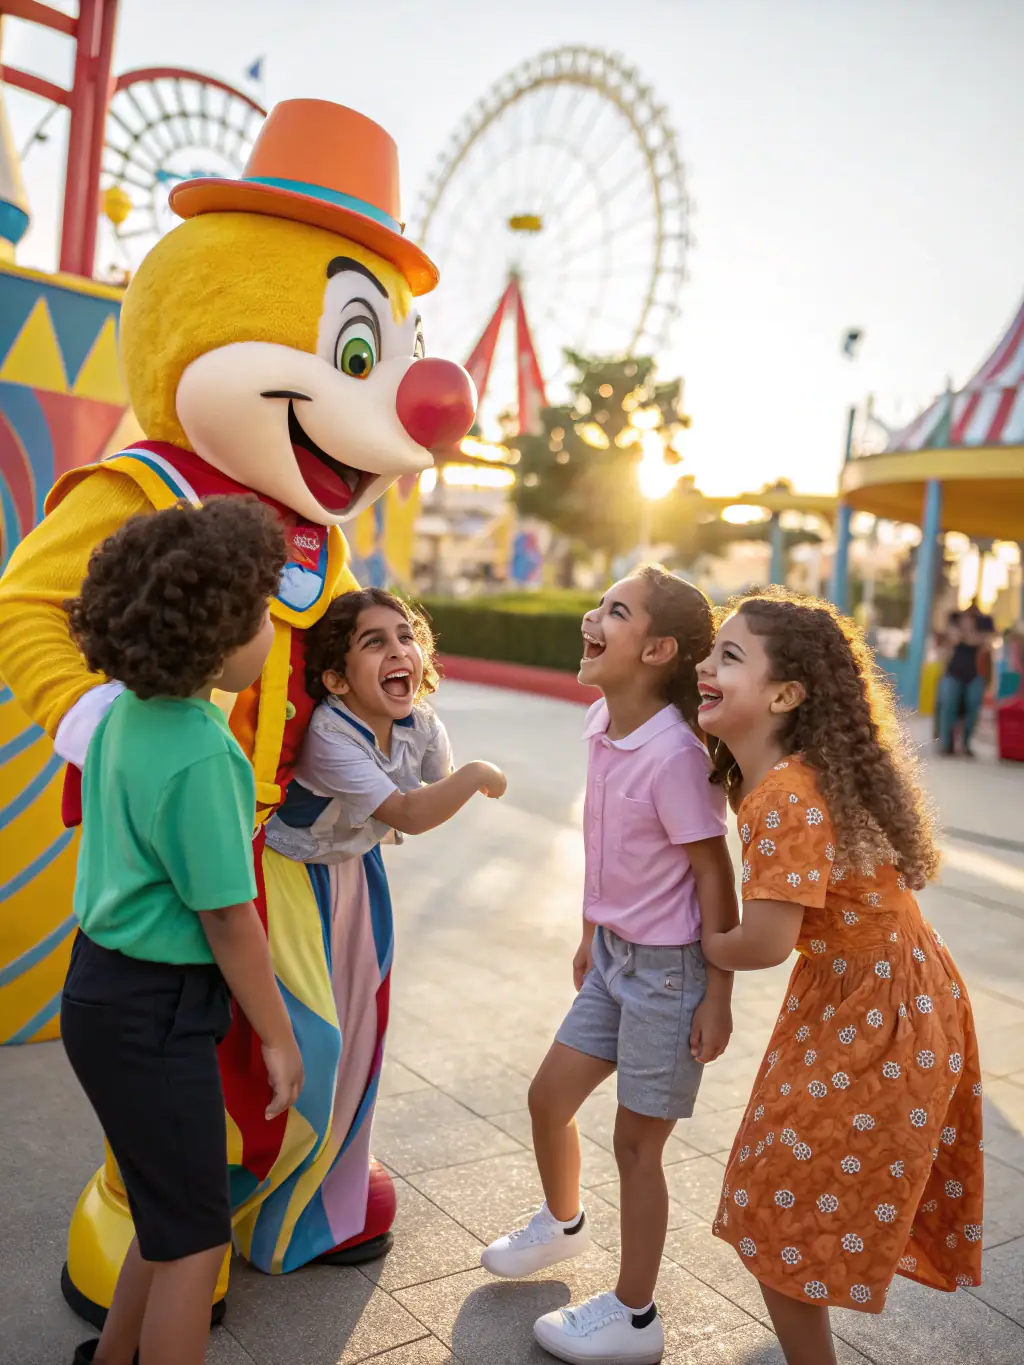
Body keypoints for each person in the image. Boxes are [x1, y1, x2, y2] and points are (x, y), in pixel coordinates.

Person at [696, 586, 983, 1365]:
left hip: (878, 1014)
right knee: (783, 1185)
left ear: (786, 694)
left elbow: (763, 941)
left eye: (728, 654)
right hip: (889, 994)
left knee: (775, 1193)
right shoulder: (781, 776)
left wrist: (703, 937)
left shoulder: (785, 793)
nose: (704, 665)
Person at [62, 498, 305, 1365]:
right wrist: (277, 1037)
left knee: (169, 1215)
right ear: (217, 632)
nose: (272, 629)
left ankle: (113, 1352)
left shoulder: (125, 710)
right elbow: (230, 920)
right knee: (199, 1238)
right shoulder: (206, 751)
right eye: (263, 613)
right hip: (154, 1011)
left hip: (104, 991)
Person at [480, 565, 738, 1365]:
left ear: (657, 648)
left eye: (615, 612)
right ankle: (562, 1223)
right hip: (616, 956)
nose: (592, 617)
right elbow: (605, 845)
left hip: (669, 972)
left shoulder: (674, 756)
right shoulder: (602, 720)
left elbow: (713, 875)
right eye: (599, 603)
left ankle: (634, 1314)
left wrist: (717, 994)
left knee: (636, 1145)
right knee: (547, 1096)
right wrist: (591, 928)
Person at [265, 586, 507, 866]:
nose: (398, 651)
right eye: (374, 642)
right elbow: (406, 814)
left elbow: (443, 784)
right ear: (337, 681)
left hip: (354, 856)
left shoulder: (421, 722)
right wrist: (478, 772)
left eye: (405, 636)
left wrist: (462, 781)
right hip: (294, 861)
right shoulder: (330, 736)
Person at [937, 600, 994, 756]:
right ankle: (946, 745)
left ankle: (966, 744)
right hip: (953, 672)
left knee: (973, 708)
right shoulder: (954, 620)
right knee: (949, 707)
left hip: (975, 673)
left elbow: (986, 641)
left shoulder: (985, 623)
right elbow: (950, 639)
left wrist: (968, 637)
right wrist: (967, 637)